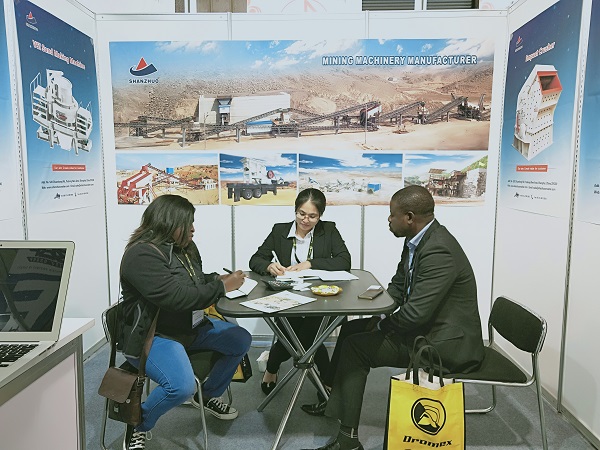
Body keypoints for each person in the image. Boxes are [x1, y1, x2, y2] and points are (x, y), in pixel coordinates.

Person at [302, 185, 485, 450]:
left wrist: (382, 323)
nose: (388, 219)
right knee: (351, 329)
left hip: (443, 344)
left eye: (392, 214)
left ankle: (348, 441)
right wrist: (378, 311)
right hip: (427, 329)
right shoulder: (418, 240)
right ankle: (330, 396)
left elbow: (415, 315)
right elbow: (399, 285)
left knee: (356, 348)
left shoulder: (438, 250)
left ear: (409, 217)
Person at [118, 194, 252, 450]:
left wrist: (217, 279)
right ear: (169, 223)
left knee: (240, 339)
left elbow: (195, 281)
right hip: (155, 336)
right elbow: (176, 297)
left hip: (189, 328)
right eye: (188, 223)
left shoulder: (184, 247)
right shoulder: (141, 255)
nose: (193, 229)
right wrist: (222, 287)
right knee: (180, 387)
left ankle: (206, 395)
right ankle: (138, 422)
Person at [249, 188, 351, 396]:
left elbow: (344, 261)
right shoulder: (280, 231)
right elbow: (255, 259)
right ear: (295, 210)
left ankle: (272, 367)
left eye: (312, 216)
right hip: (287, 298)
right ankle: (326, 379)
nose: (305, 220)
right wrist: (269, 266)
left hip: (320, 299)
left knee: (303, 335)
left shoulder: (328, 230)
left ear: (320, 215)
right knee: (309, 337)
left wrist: (310, 263)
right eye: (301, 214)